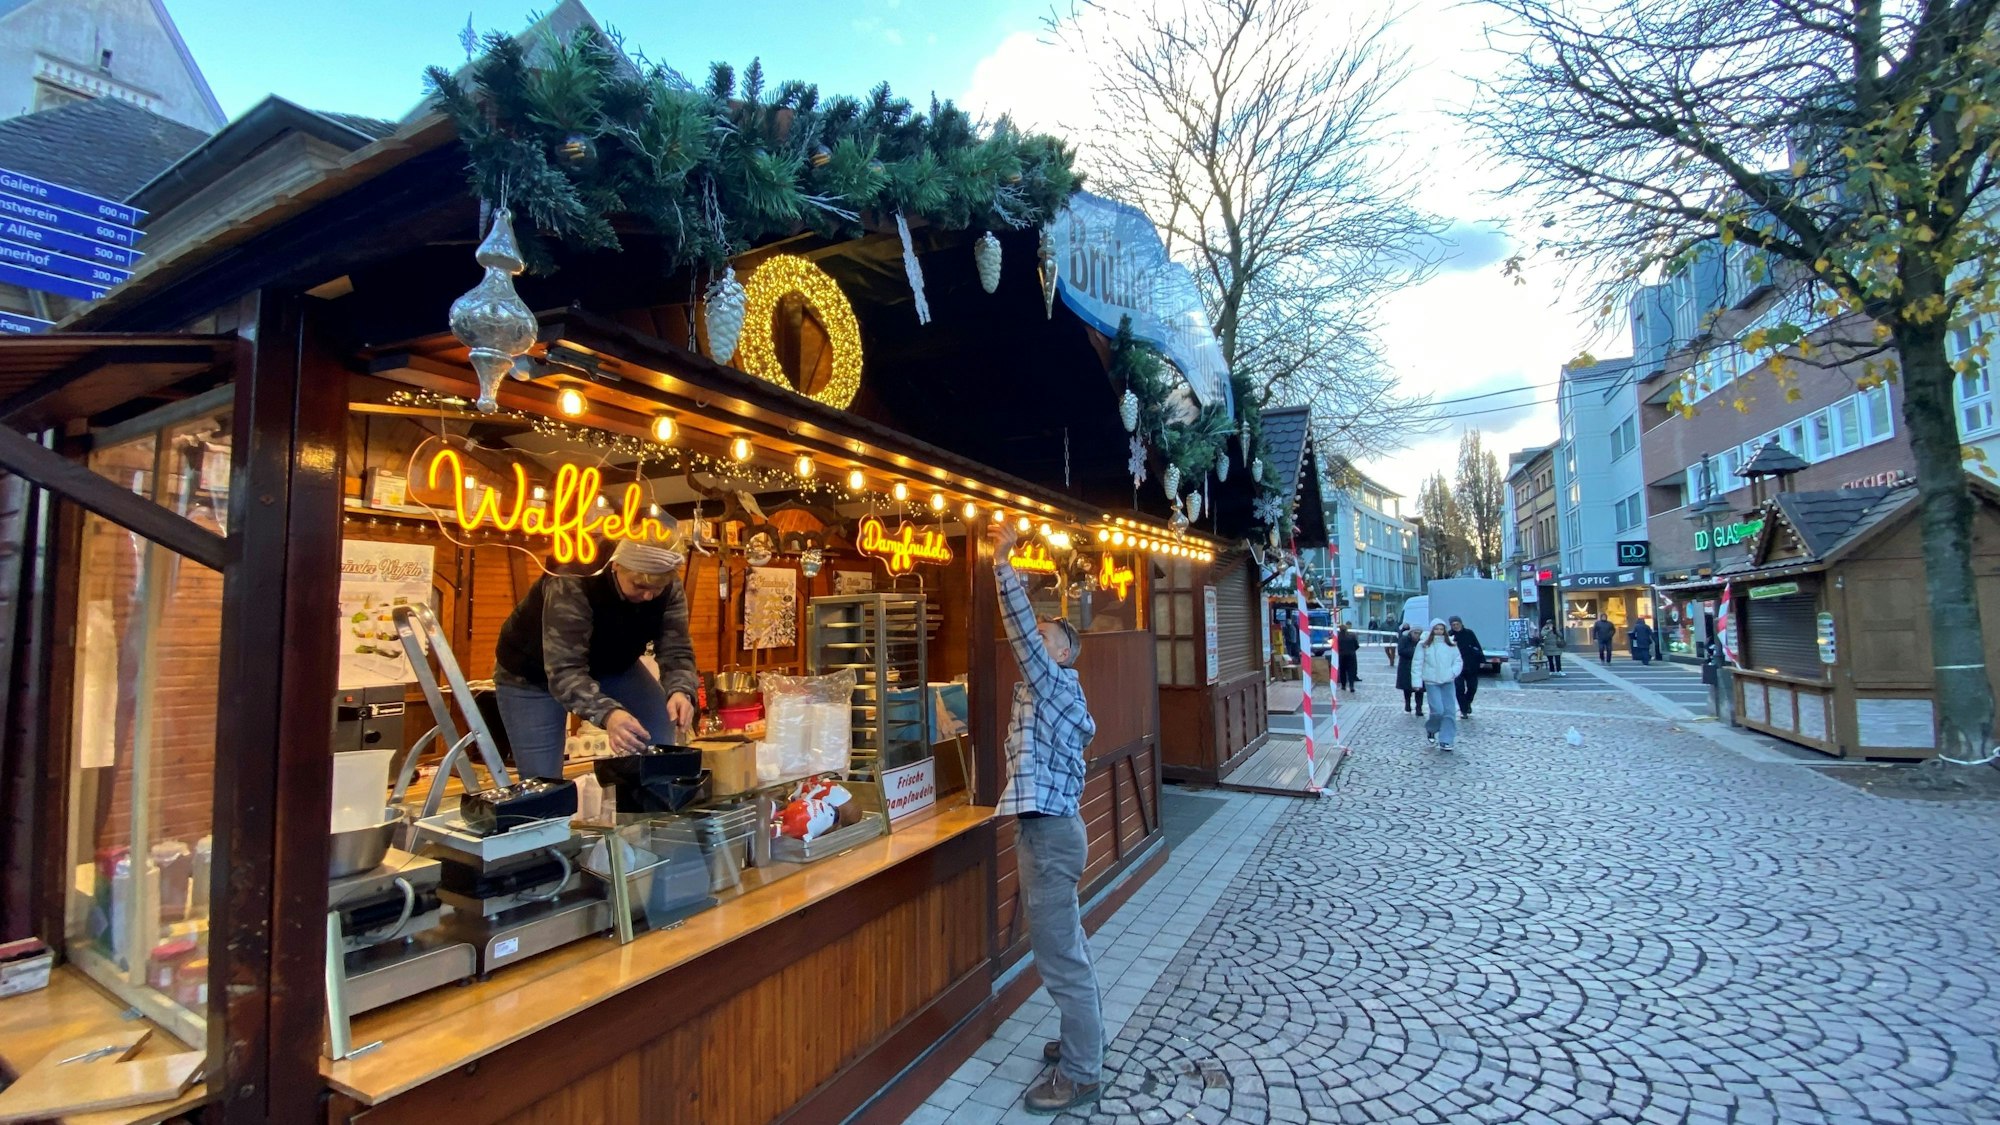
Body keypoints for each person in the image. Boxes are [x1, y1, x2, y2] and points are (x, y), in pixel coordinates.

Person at [990, 520, 1103, 1115]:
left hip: (1051, 834)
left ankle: (1083, 1071)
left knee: (1059, 953)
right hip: (1052, 830)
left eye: (1045, 634)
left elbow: (1021, 640)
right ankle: (1081, 1043)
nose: (1035, 638)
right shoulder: (1052, 691)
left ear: (1060, 652)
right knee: (1068, 944)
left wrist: (1002, 562)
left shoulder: (1055, 682)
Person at [491, 540, 699, 779]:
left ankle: (651, 807)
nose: (649, 595)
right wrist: (609, 714)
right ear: (616, 566)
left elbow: (677, 648)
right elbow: (565, 672)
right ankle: (547, 816)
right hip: (531, 674)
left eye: (658, 588)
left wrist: (680, 690)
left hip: (613, 664)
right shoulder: (572, 580)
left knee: (659, 733)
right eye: (639, 586)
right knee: (543, 783)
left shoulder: (666, 584)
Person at [1418, 620, 1463, 749]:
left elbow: (1458, 661)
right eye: (1436, 629)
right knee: (1437, 711)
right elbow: (1417, 663)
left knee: (1449, 711)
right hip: (1431, 682)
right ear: (1432, 630)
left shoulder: (1451, 645)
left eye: (1441, 629)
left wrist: (1452, 673)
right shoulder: (1424, 645)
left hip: (1448, 681)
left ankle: (1446, 739)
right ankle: (1431, 728)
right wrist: (1416, 682)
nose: (1439, 631)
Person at [1448, 615, 1484, 719]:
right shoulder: (1450, 635)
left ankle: (1467, 703)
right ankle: (1463, 710)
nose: (1455, 626)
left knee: (1472, 687)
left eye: (1457, 624)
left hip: (1471, 664)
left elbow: (1477, 646)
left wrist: (1481, 659)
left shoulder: (1469, 633)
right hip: (1456, 666)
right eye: (1453, 624)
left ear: (1461, 623)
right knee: (1459, 689)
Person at [1395, 624, 1425, 715]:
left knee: (1419, 689)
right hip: (1406, 667)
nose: (1417, 635)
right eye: (1415, 633)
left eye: (1419, 633)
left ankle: (1419, 708)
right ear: (1411, 633)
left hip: (1419, 667)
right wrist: (1415, 652)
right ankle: (1407, 704)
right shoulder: (1404, 639)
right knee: (1407, 688)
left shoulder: (1422, 641)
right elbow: (1401, 651)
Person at [1336, 624, 1361, 692]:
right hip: (1351, 655)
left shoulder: (1337, 637)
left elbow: (1334, 646)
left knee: (1342, 671)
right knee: (1351, 671)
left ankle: (1343, 685)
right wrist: (1352, 650)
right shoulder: (1352, 636)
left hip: (1342, 655)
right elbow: (1357, 645)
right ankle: (1351, 686)